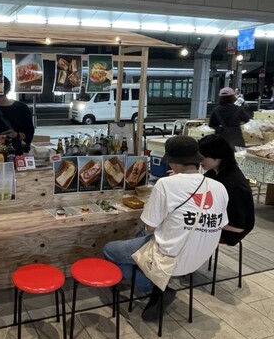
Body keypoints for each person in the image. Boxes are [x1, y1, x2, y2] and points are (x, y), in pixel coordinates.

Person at [103, 136, 229, 321]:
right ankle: (153, 278)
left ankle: (155, 288)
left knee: (109, 250)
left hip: (169, 258)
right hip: (198, 260)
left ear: (173, 162)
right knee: (139, 240)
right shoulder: (219, 187)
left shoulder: (165, 184)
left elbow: (150, 227)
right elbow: (219, 223)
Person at [198, 134, 255, 246]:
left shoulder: (233, 183)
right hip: (219, 219)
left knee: (186, 227)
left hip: (232, 231)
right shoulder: (216, 171)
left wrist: (204, 222)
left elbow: (239, 226)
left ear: (218, 157)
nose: (200, 161)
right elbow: (200, 184)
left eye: (203, 157)